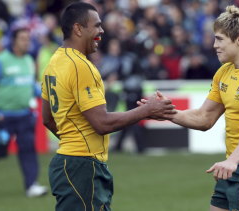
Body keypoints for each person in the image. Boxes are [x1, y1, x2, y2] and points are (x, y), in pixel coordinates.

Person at [140, 5, 239, 211]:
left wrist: (233, 161)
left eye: (219, 39)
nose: (214, 45)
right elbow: (204, 117)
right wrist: (166, 113)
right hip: (231, 166)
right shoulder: (224, 72)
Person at [41, 2, 175, 210]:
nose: (101, 31)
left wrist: (73, 143)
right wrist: (147, 110)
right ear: (78, 28)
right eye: (96, 25)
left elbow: (47, 119)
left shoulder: (54, 62)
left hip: (70, 163)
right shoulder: (80, 65)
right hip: (82, 167)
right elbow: (101, 123)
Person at [0, 28, 48, 197]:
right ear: (13, 41)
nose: (27, 42)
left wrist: (45, 93)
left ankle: (31, 185)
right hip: (3, 116)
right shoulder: (1, 61)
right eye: (23, 39)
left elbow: (30, 85)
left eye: (28, 39)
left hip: (25, 115)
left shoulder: (28, 60)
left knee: (28, 149)